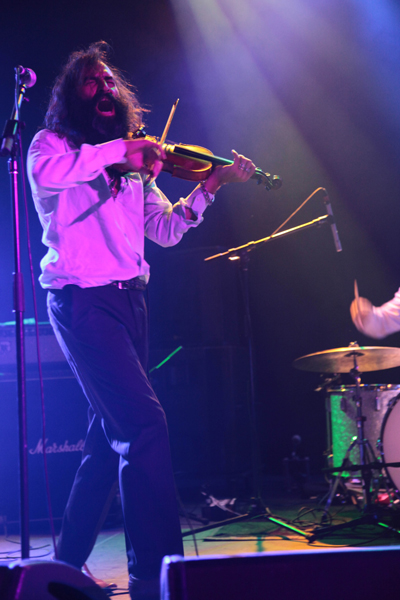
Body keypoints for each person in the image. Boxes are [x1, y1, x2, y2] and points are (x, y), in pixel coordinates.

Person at [27, 41, 256, 599]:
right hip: (82, 303)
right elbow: (49, 178)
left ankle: (62, 567)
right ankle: (156, 578)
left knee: (110, 439)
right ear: (72, 96)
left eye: (109, 80)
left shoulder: (135, 166)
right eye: (90, 81)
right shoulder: (53, 145)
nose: (103, 88)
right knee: (145, 427)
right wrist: (117, 155)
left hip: (131, 303)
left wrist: (210, 187)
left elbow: (167, 229)